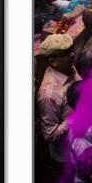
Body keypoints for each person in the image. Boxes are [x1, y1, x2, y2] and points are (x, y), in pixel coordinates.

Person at [37, 34, 82, 163]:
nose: (73, 55)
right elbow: (50, 135)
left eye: (71, 50)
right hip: (69, 152)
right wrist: (75, 116)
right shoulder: (49, 94)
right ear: (53, 61)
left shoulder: (69, 67)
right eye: (67, 54)